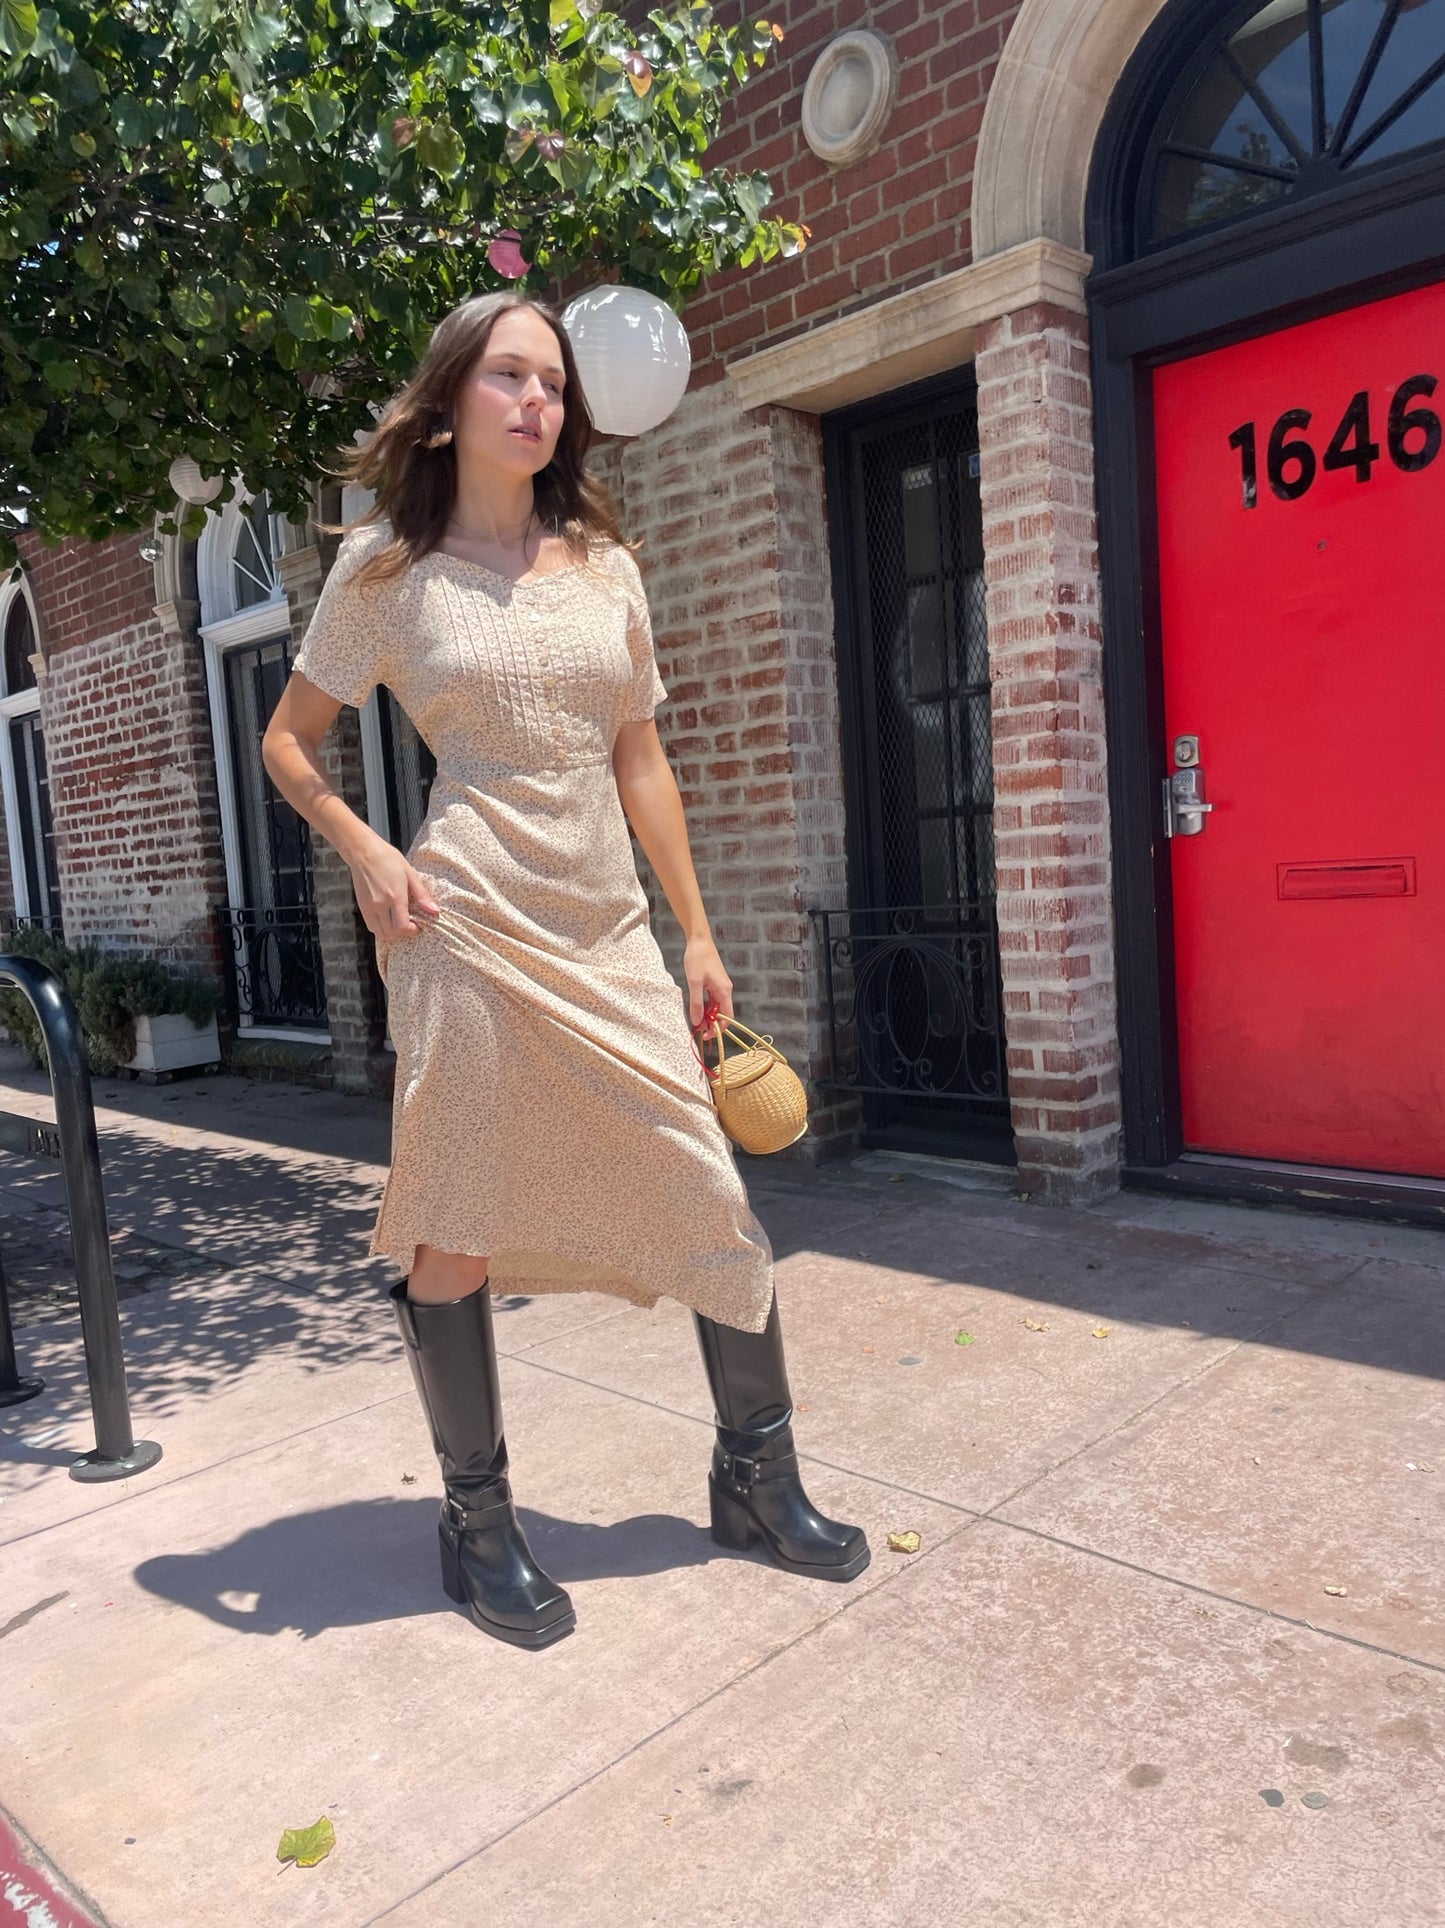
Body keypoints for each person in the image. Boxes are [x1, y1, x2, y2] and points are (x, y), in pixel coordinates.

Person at [261, 290, 869, 1651]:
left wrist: (696, 929)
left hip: (603, 927)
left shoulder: (604, 562)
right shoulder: (383, 570)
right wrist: (363, 847)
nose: (538, 402)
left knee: (711, 1197)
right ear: (450, 398)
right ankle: (476, 1529)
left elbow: (638, 755)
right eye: (510, 378)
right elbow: (288, 745)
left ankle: (755, 1488)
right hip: (463, 920)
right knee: (458, 1216)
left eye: (554, 384)